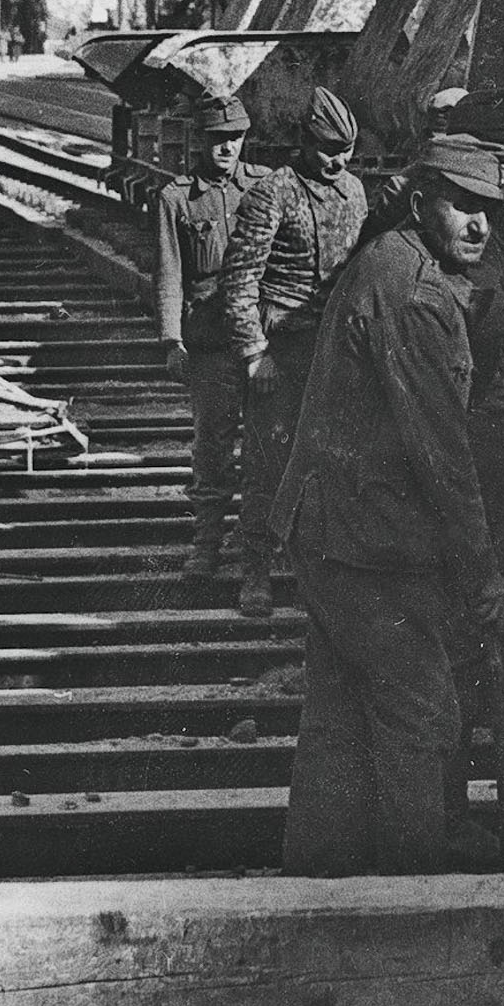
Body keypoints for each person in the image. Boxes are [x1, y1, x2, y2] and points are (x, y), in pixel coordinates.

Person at [271, 133, 504, 876]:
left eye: (488, 210)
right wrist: (483, 573)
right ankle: (411, 904)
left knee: (339, 714)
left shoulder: (391, 261)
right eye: (461, 204)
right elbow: (442, 455)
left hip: (333, 530)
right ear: (419, 203)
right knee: (421, 709)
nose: (479, 224)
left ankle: (320, 884)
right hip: (364, 542)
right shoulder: (416, 297)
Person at [221, 87, 370, 618]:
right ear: (305, 141)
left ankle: (317, 571)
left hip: (333, 351)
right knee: (266, 463)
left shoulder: (355, 193)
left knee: (333, 464)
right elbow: (240, 281)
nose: (339, 160)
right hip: (279, 350)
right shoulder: (272, 193)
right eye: (329, 148)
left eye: (347, 150)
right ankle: (255, 570)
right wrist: (254, 353)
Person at [153, 95, 269, 583]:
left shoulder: (265, 187)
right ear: (201, 140)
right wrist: (170, 339)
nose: (227, 147)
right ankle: (206, 543)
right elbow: (169, 273)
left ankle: (257, 551)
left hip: (261, 339)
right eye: (218, 139)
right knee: (213, 445)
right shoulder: (177, 197)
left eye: (235, 138)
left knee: (265, 445)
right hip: (210, 343)